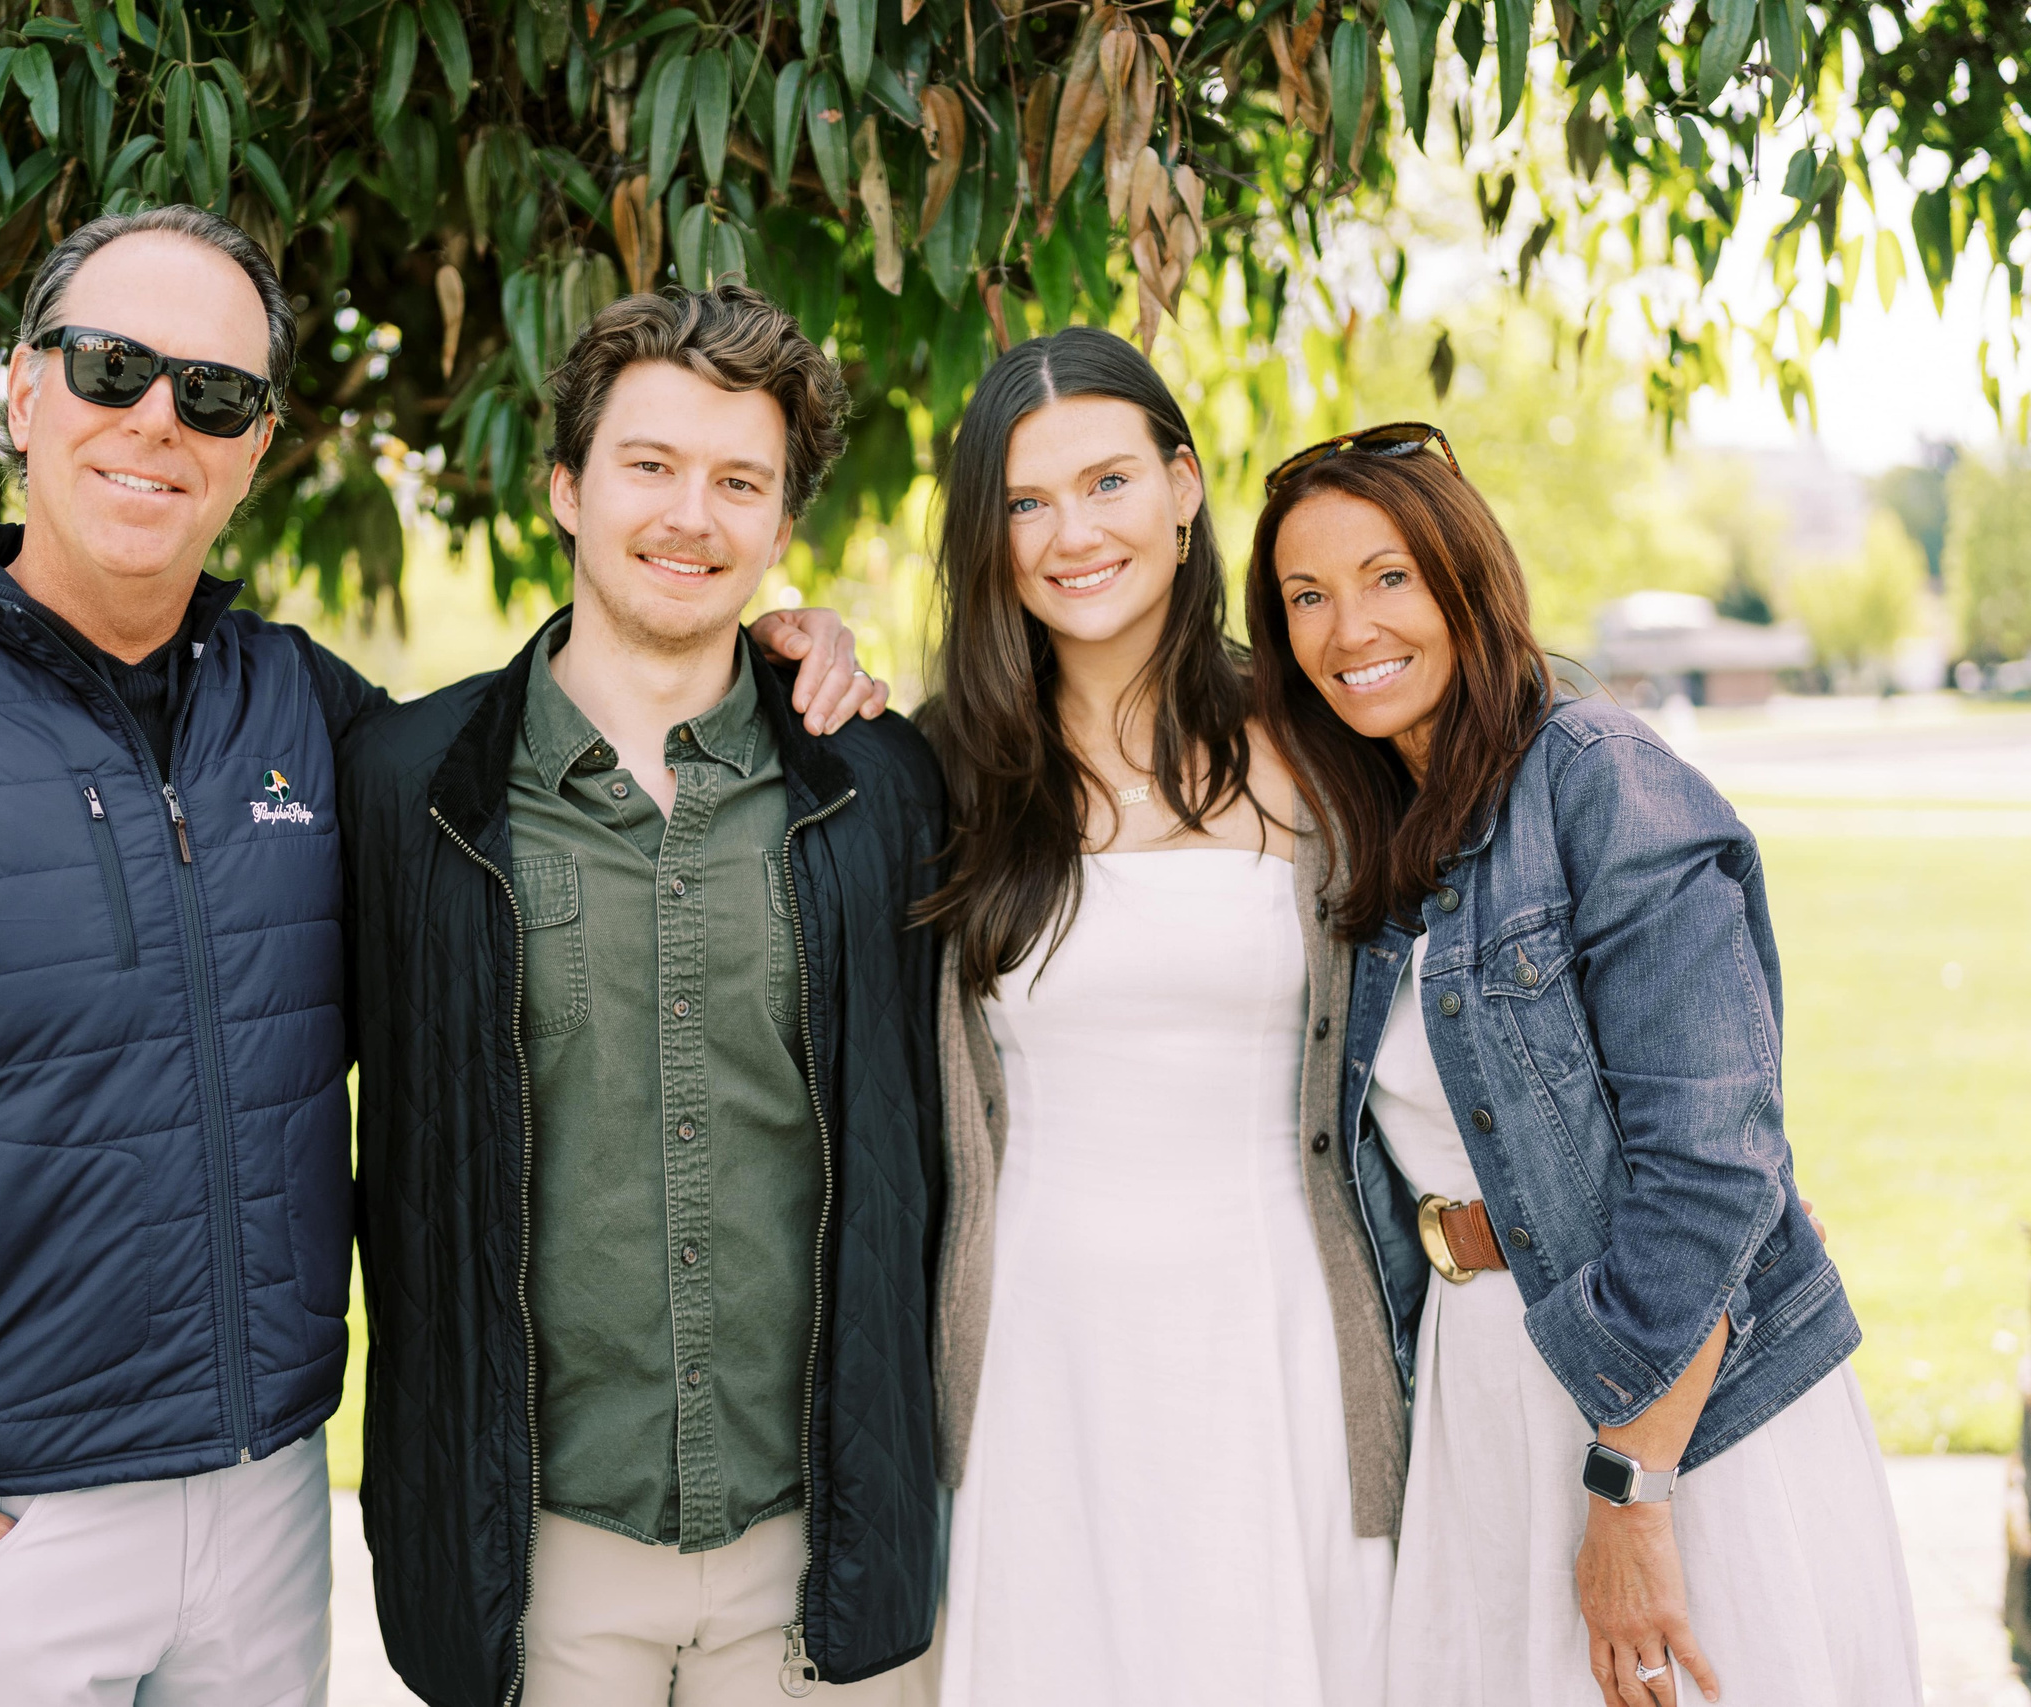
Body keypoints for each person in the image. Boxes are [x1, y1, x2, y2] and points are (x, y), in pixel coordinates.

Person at [0, 210, 879, 1707]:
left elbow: (550, 751)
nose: (158, 418)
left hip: (267, 1510)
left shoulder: (308, 716)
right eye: (112, 368)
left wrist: (776, 655)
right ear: (21, 393)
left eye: (212, 393)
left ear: (255, 445)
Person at [1245, 423, 1922, 1707]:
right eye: (1305, 598)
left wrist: (1631, 1491)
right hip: (1480, 1390)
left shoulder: (1601, 781)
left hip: (1681, 1422)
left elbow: (1715, 1164)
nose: (1348, 629)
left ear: (1466, 581)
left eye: (1388, 576)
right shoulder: (1384, 834)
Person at [338, 284, 947, 1707]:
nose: (694, 514)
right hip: (540, 1550)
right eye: (650, 466)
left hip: (820, 1537)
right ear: (565, 485)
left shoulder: (880, 786)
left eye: (740, 480)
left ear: (781, 526)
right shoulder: (406, 789)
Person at [921, 326, 1402, 1706]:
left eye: (1110, 482)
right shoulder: (943, 773)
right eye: (1025, 501)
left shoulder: (1320, 742)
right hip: (1042, 1346)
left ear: (1185, 488)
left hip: (1279, 1331)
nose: (1072, 531)